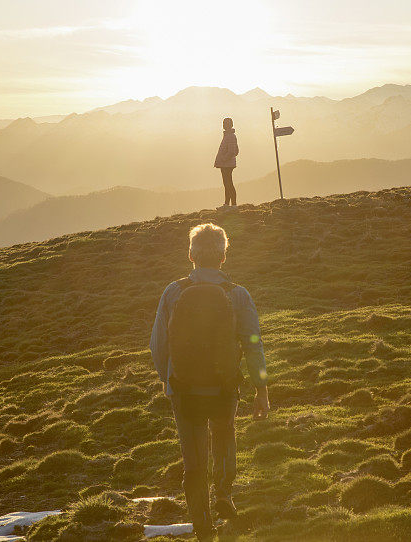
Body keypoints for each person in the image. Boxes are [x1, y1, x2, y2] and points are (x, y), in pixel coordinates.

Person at [150, 223, 269, 541]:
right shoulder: (238, 295)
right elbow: (253, 342)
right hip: (224, 387)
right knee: (224, 434)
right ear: (224, 257)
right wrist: (261, 388)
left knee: (193, 458)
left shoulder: (173, 292)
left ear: (191, 255)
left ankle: (202, 524)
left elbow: (158, 344)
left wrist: (168, 380)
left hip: (184, 389)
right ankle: (224, 494)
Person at [214, 117, 239, 209]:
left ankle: (233, 205)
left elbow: (232, 151)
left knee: (228, 183)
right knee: (227, 183)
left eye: (225, 123)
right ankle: (227, 204)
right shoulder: (229, 135)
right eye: (223, 123)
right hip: (226, 164)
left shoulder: (231, 136)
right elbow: (236, 150)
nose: (223, 125)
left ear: (230, 125)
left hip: (227, 164)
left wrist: (223, 159)